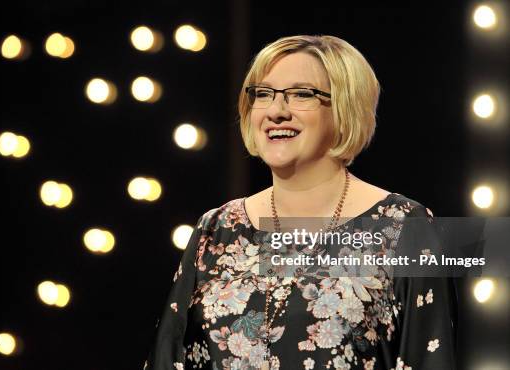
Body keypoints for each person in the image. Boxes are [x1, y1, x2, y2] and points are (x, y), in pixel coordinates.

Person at [144, 35, 457, 370]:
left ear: (344, 108)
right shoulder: (217, 229)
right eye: (263, 94)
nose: (277, 111)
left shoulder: (404, 226)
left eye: (301, 94)